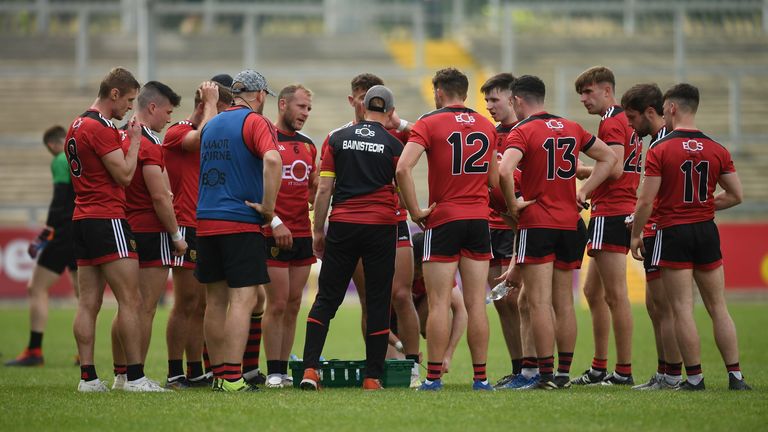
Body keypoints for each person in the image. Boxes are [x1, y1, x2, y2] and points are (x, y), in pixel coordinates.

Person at [498, 75, 618, 390]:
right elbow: (610, 158)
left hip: (538, 222)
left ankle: (546, 376)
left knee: (537, 302)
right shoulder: (571, 127)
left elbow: (503, 170)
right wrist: (585, 191)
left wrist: (513, 205)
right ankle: (563, 374)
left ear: (518, 101)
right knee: (564, 301)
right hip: (570, 225)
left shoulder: (522, 130)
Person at [630, 83, 750, 391]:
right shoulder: (716, 148)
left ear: (670, 108)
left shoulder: (660, 148)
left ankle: (694, 378)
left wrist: (635, 236)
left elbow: (645, 201)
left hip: (674, 231)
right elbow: (736, 194)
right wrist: (705, 205)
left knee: (681, 308)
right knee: (718, 306)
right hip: (706, 229)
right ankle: (735, 376)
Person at [397, 68, 498, 391]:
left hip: (443, 219)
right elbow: (495, 182)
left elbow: (402, 167)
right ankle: (481, 378)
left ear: (439, 92)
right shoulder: (486, 125)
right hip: (478, 220)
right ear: (465, 94)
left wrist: (415, 210)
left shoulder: (429, 122)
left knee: (439, 302)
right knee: (475, 302)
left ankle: (434, 377)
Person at [300, 85, 403, 391]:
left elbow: (323, 190)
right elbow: (404, 180)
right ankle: (372, 377)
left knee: (326, 300)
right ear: (389, 111)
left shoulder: (337, 139)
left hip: (343, 225)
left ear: (362, 107)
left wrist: (318, 230)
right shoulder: (394, 143)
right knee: (378, 301)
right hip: (381, 227)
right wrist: (416, 210)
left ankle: (309, 370)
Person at [322, 73, 421, 387]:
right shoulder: (338, 137)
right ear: (352, 101)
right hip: (355, 223)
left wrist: (399, 123)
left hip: (393, 221)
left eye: (372, 97)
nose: (366, 103)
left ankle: (413, 366)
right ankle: (377, 367)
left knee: (401, 295)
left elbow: (427, 135)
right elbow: (321, 182)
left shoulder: (395, 135)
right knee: (371, 301)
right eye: (360, 97)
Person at [67, 67, 160, 392]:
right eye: (129, 100)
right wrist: (134, 141)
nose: (128, 109)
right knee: (131, 300)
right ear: (115, 94)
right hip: (107, 218)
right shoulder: (100, 127)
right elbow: (123, 175)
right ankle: (134, 377)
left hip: (81, 219)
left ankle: (88, 378)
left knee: (88, 302)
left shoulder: (75, 124)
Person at [195, 69, 281, 392]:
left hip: (206, 220)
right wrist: (269, 208)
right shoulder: (256, 122)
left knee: (214, 301)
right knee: (243, 300)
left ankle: (219, 374)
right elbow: (273, 161)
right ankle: (233, 377)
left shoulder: (212, 123)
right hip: (240, 220)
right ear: (259, 95)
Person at [109, 81, 186, 391]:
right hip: (151, 231)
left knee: (126, 306)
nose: (169, 118)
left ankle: (121, 374)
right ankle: (136, 376)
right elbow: (159, 196)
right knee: (144, 307)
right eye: (167, 112)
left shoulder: (118, 138)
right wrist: (175, 233)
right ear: (152, 107)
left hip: (124, 227)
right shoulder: (149, 144)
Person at [571, 66, 640, 386]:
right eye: (581, 94)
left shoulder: (613, 120)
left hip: (611, 211)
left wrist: (583, 181)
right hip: (620, 208)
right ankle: (600, 366)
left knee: (615, 295)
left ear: (607, 91)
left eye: (588, 92)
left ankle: (623, 371)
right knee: (592, 291)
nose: (584, 99)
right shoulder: (625, 119)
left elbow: (613, 167)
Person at [162, 79, 231, 389]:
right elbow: (203, 137)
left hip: (206, 223)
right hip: (186, 223)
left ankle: (194, 370)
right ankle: (175, 371)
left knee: (202, 304)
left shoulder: (208, 128)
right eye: (219, 109)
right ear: (205, 105)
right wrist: (213, 104)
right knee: (185, 301)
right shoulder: (179, 130)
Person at [620, 83, 682, 390]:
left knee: (664, 306)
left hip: (663, 230)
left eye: (632, 117)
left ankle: (672, 375)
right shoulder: (661, 140)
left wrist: (639, 226)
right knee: (656, 306)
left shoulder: (664, 143)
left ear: (649, 112)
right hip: (659, 227)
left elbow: (654, 196)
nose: (630, 125)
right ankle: (664, 373)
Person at [6, 126, 79, 367]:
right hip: (82, 231)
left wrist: (47, 231)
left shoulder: (60, 158)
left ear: (52, 145)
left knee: (35, 288)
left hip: (63, 232)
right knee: (84, 297)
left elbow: (60, 198)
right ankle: (83, 355)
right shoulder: (79, 157)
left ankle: (34, 350)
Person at [261, 84, 318, 388]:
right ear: (283, 104)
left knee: (295, 303)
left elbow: (310, 187)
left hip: (302, 232)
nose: (305, 114)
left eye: (309, 108)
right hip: (273, 232)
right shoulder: (264, 137)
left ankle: (283, 370)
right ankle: (272, 371)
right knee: (278, 303)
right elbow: (255, 186)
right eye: (301, 107)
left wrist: (315, 191)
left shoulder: (309, 145)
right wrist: (274, 221)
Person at [479, 73, 525, 388]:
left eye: (494, 99)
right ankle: (518, 368)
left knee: (517, 299)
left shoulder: (527, 133)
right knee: (499, 300)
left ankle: (534, 369)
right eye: (487, 102)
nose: (490, 107)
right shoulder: (490, 135)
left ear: (512, 98)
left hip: (517, 225)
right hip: (491, 224)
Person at [408, 232, 467, 373]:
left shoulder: (434, 273)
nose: (417, 272)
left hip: (422, 318)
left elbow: (461, 311)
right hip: (396, 325)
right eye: (415, 267)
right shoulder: (398, 274)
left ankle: (436, 359)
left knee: (442, 302)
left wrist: (448, 354)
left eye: (420, 267)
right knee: (395, 370)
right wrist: (400, 345)